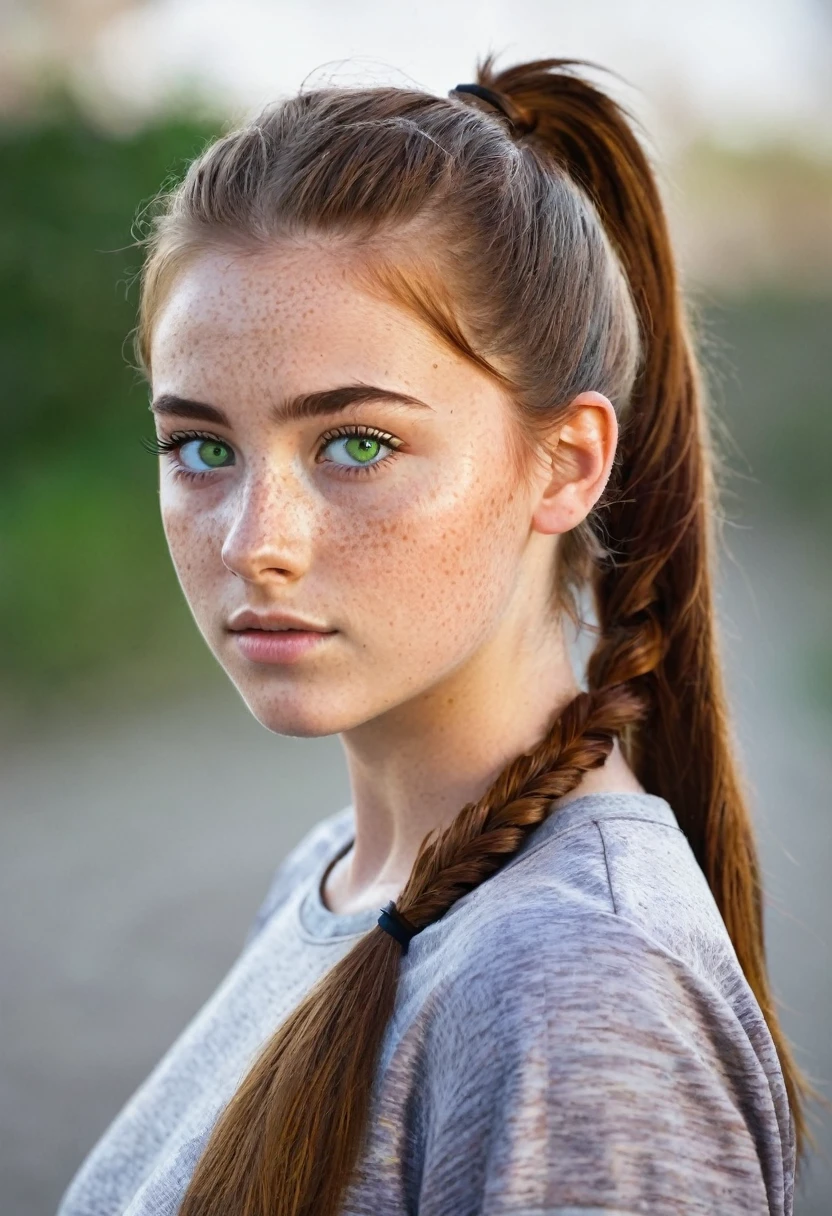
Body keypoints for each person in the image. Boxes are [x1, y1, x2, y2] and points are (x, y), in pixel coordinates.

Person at [56, 54, 806, 1216]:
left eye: (356, 443)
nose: (260, 540)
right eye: (202, 447)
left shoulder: (576, 985)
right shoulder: (334, 881)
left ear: (565, 462)